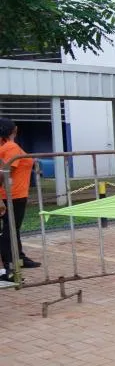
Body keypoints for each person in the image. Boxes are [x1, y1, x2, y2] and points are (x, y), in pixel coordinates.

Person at [0, 118, 40, 287]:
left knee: (12, 229)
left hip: (14, 194)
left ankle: (19, 259)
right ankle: (10, 269)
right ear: (14, 130)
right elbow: (5, 172)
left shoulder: (7, 147)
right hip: (11, 196)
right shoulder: (11, 147)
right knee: (9, 231)